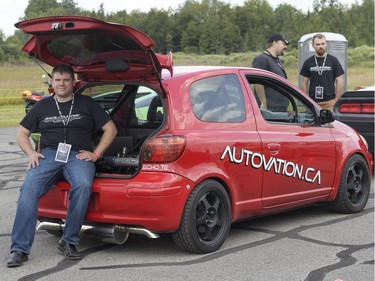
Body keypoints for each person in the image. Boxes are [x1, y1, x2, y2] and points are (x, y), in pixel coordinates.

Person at [7, 64, 117, 267]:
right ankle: (19, 249)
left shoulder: (87, 103)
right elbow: (22, 133)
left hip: (78, 156)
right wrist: (31, 153)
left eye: (66, 80)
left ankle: (69, 241)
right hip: (48, 155)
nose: (62, 84)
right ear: (52, 82)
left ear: (73, 83)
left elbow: (110, 128)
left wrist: (96, 153)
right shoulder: (42, 105)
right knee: (28, 189)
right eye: (58, 80)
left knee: (83, 185)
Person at [300, 33, 344, 111]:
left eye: (323, 44)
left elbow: (339, 80)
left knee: (330, 123)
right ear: (313, 45)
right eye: (318, 44)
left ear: (326, 44)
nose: (321, 46)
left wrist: (337, 99)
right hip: (313, 102)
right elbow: (304, 82)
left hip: (330, 102)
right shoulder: (308, 62)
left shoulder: (333, 60)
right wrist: (306, 100)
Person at [252, 33, 290, 111]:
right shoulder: (261, 59)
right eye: (283, 44)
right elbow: (258, 82)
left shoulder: (276, 60)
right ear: (274, 43)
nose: (285, 47)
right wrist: (263, 103)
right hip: (270, 109)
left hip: (280, 108)